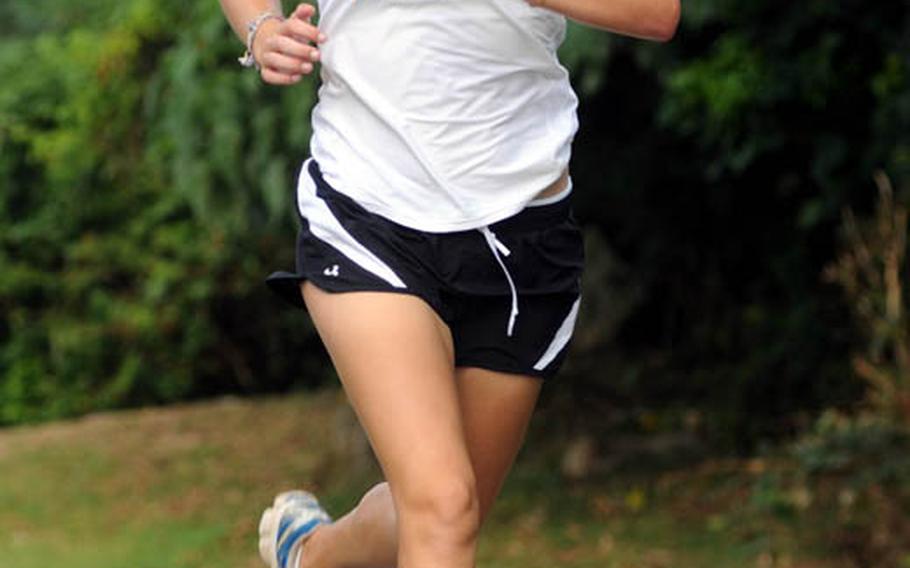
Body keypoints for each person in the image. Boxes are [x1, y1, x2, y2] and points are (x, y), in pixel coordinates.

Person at [217, 1, 680, 567]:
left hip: (522, 235)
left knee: (446, 513)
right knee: (443, 505)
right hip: (368, 210)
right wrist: (261, 29)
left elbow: (658, 12)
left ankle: (311, 555)